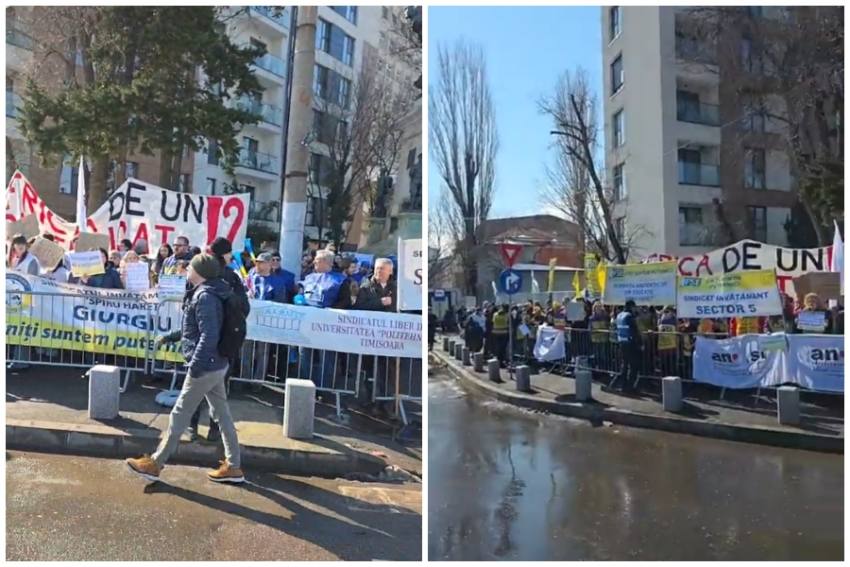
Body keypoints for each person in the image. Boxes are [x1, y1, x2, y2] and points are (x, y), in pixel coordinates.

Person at [126, 254, 244, 483]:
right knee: (223, 415)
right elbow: (195, 329)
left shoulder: (205, 297)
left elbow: (209, 335)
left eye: (190, 266)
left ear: (199, 271)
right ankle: (233, 465)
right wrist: (170, 337)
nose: (186, 269)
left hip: (206, 366)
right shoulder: (212, 291)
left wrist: (196, 365)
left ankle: (155, 464)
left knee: (179, 414)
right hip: (217, 363)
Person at [611, 299, 640, 392]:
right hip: (630, 343)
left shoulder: (619, 316)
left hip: (621, 343)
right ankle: (630, 386)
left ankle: (623, 385)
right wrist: (640, 343)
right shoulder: (629, 316)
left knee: (624, 365)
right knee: (633, 366)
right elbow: (634, 331)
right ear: (631, 307)